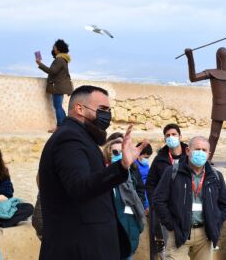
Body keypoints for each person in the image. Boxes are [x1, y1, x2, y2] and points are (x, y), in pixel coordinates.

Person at [38, 85, 148, 260]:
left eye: (109, 110)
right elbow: (79, 187)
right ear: (79, 109)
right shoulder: (69, 139)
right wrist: (121, 166)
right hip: (79, 249)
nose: (107, 115)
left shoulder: (81, 138)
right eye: (102, 109)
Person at [154, 136, 226, 260]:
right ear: (188, 151)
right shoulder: (172, 172)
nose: (200, 153)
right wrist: (171, 225)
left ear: (209, 154)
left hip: (204, 235)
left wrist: (215, 221)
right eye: (197, 149)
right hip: (178, 233)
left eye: (204, 150)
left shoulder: (216, 176)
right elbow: (159, 200)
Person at [145, 123, 188, 259]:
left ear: (180, 136)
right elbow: (150, 184)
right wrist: (155, 204)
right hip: (166, 210)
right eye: (168, 135)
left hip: (186, 208)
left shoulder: (190, 156)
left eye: (174, 134)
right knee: (168, 247)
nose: (171, 137)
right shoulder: (159, 160)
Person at [103, 138, 146, 260]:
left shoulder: (133, 172)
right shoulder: (102, 175)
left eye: (123, 151)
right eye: (116, 152)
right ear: (108, 154)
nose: (120, 155)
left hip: (130, 225)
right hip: (109, 228)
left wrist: (139, 207)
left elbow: (141, 191)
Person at [36, 39, 74, 133]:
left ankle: (60, 127)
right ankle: (66, 126)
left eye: (54, 47)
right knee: (59, 106)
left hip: (58, 87)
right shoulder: (63, 59)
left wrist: (39, 64)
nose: (53, 49)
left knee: (58, 107)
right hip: (60, 86)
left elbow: (52, 71)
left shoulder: (59, 59)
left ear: (58, 49)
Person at [134, 142, 153, 212]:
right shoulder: (134, 166)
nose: (147, 160)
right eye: (145, 157)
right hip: (141, 201)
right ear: (138, 154)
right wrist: (146, 205)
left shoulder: (146, 166)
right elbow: (142, 189)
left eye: (148, 158)